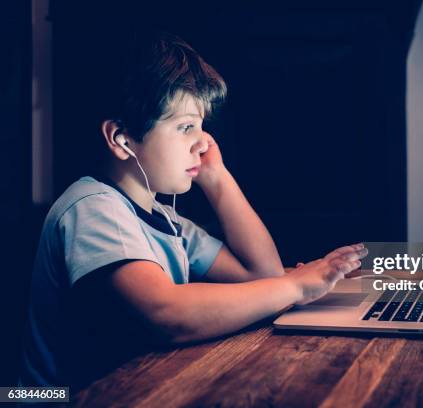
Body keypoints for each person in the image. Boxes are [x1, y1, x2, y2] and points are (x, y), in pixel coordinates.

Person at [20, 31, 367, 389]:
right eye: (185, 127)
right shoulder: (91, 207)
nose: (203, 142)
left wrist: (218, 181)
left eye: (202, 126)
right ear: (121, 140)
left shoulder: (168, 222)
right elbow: (165, 312)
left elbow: (262, 275)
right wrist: (296, 286)